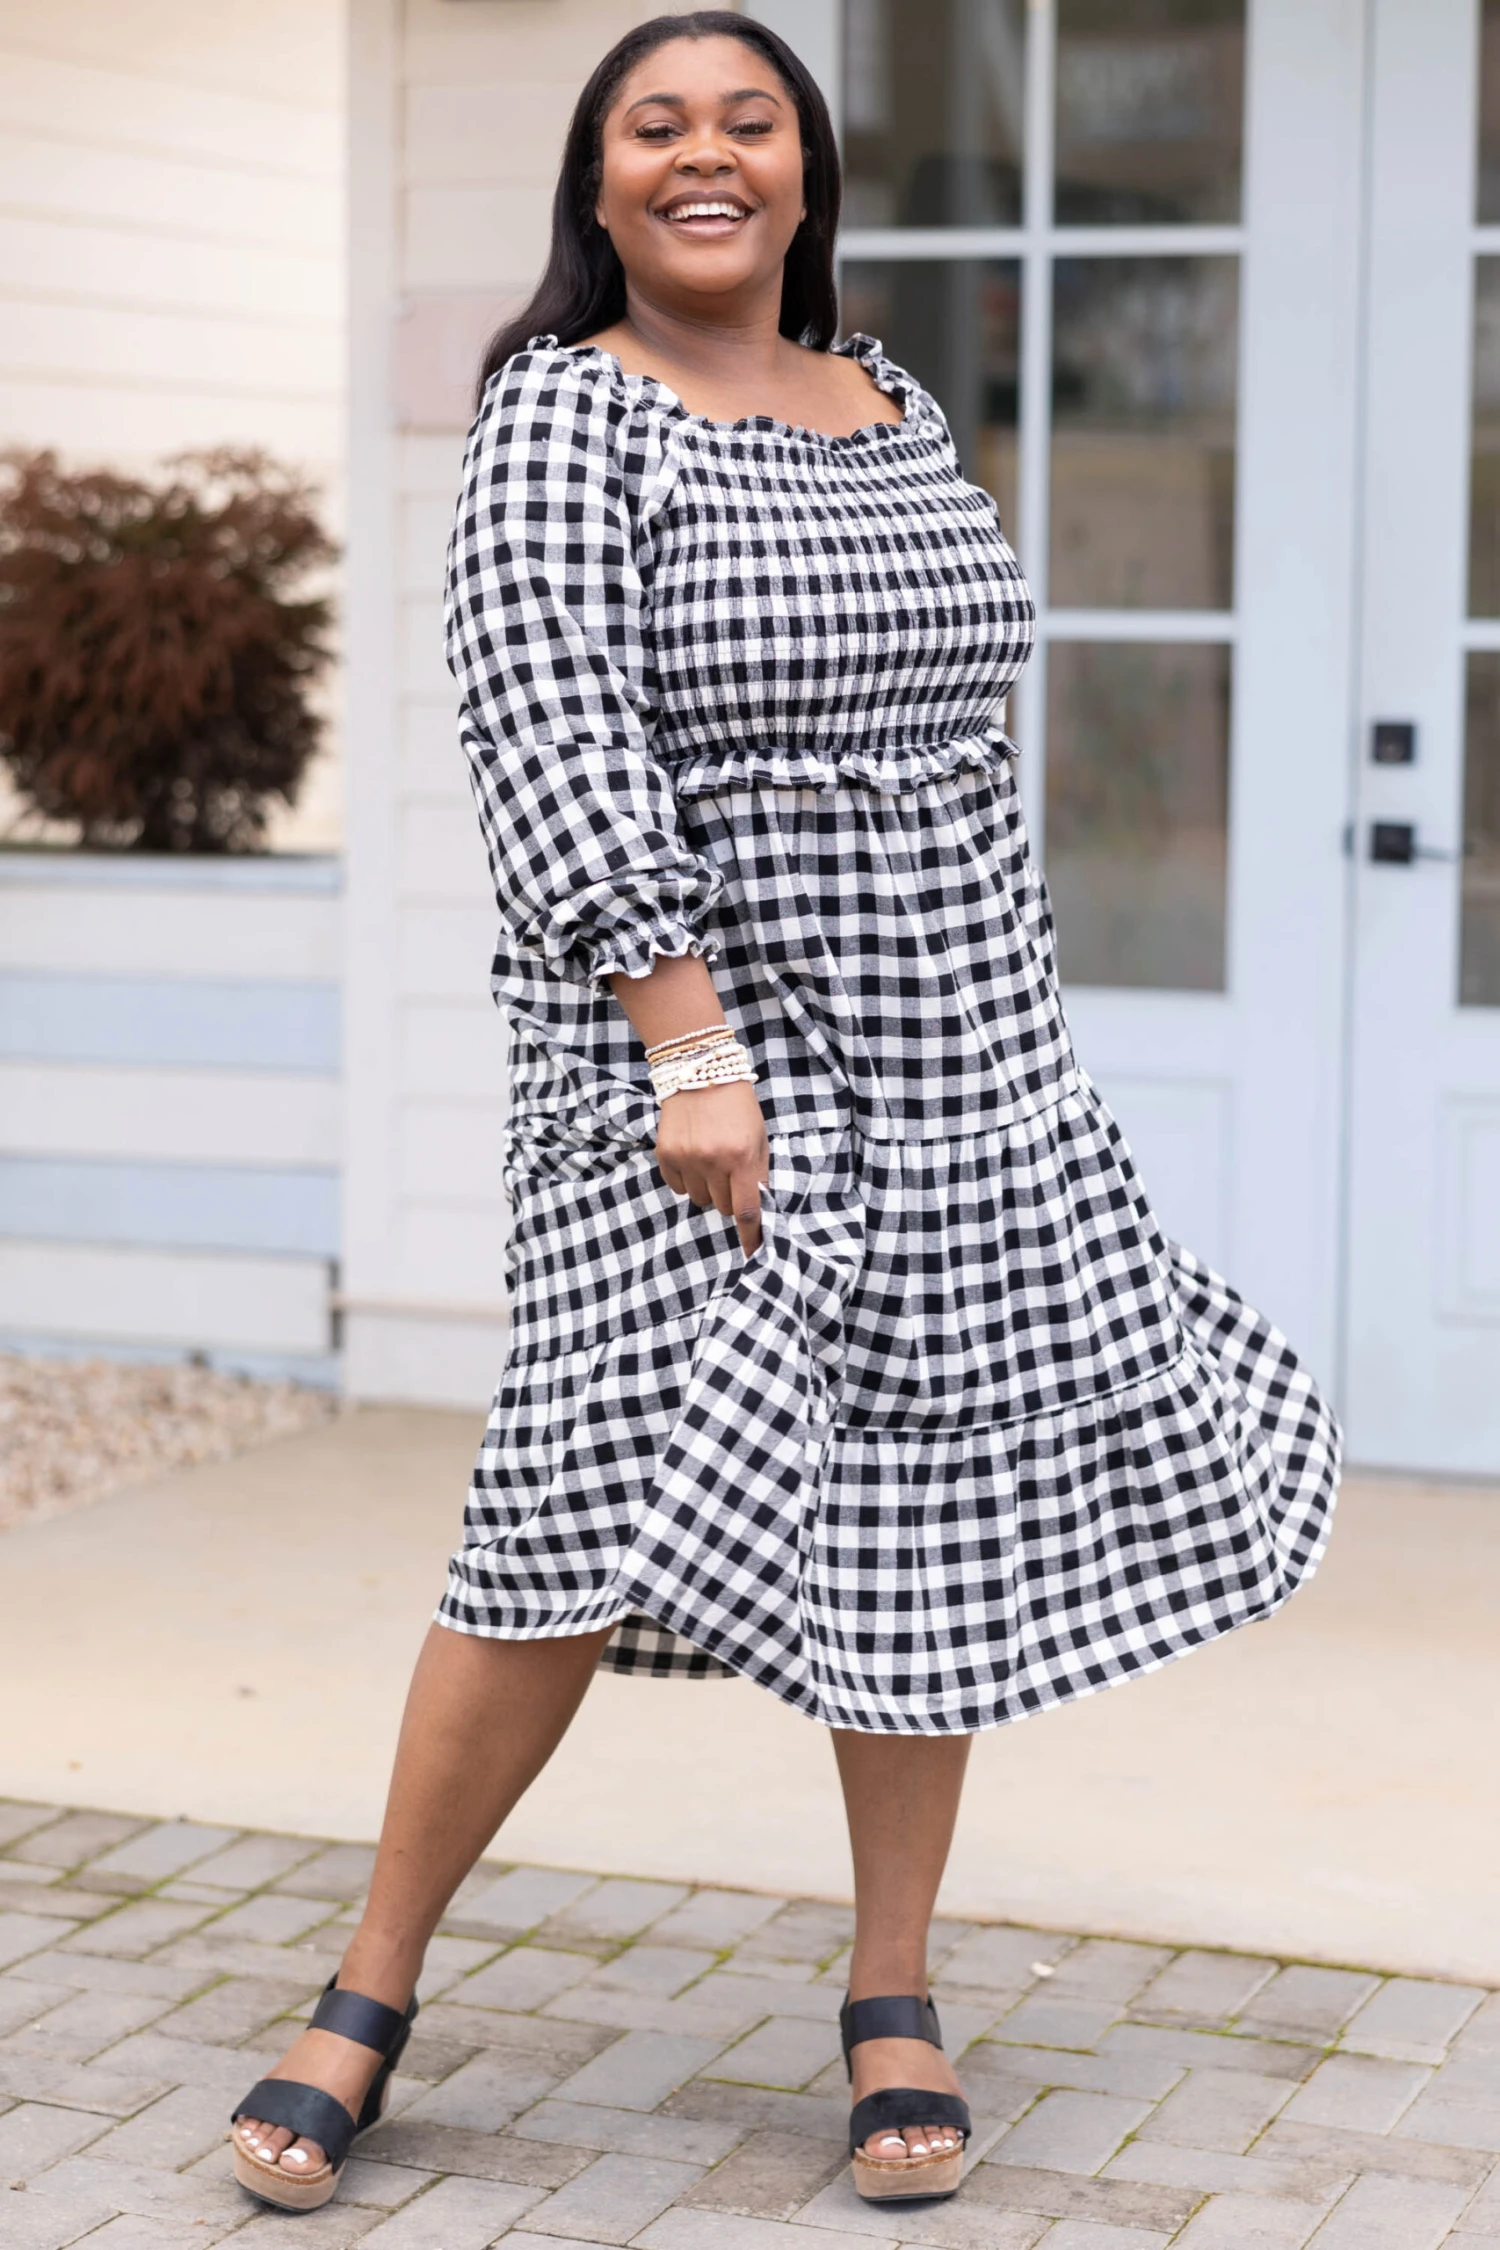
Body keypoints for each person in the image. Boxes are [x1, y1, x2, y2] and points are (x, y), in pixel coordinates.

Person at [230, 10, 1338, 2216]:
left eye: (751, 120)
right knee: (562, 1509)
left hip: (955, 1048)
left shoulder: (891, 402)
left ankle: (892, 1987)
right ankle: (370, 1981)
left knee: (924, 1505)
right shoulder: (564, 414)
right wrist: (690, 1042)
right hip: (691, 1062)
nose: (706, 155)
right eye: (657, 126)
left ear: (810, 169)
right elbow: (553, 737)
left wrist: (1014, 1035)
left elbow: (961, 731)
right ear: (600, 181)